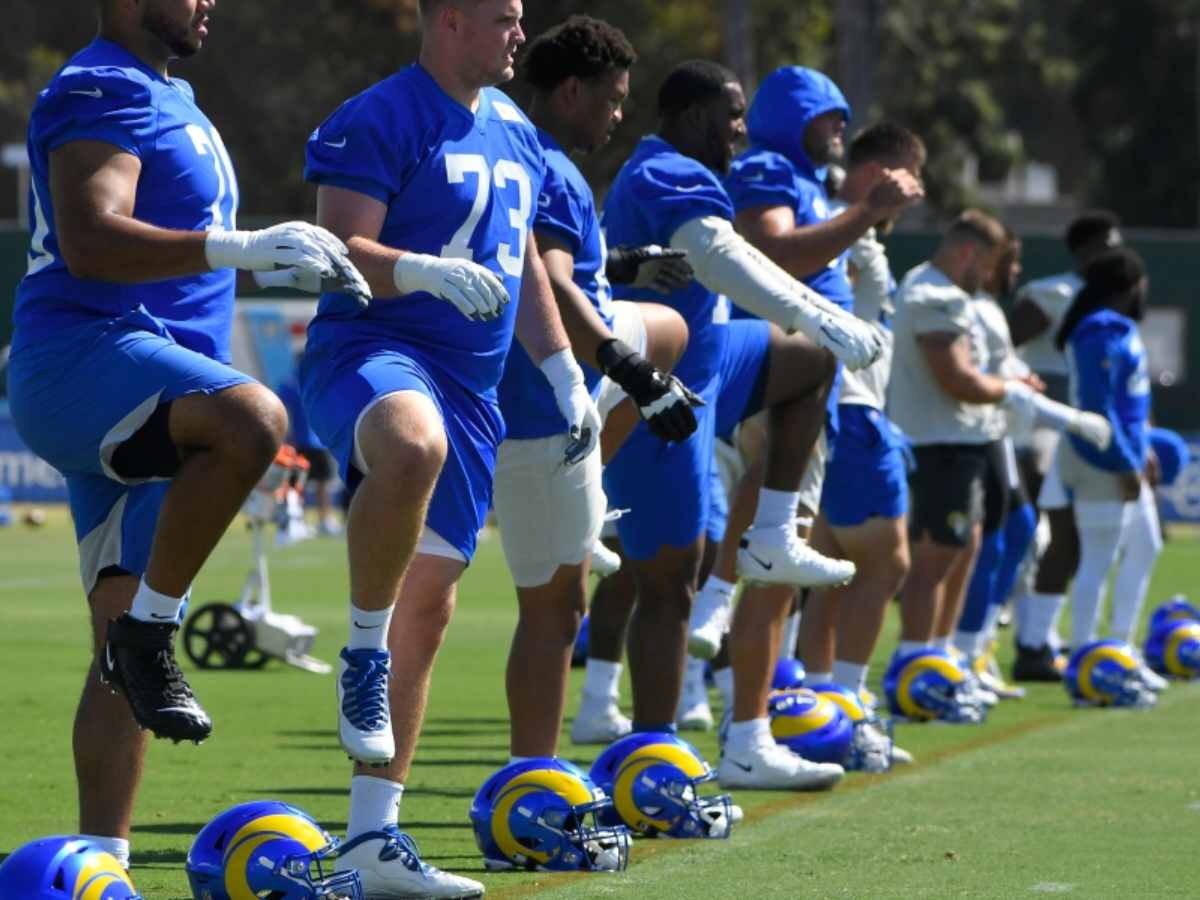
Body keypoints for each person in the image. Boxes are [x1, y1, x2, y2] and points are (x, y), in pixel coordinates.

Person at [6, 0, 366, 871]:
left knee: (112, 650)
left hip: (146, 388)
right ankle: (154, 633)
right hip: (87, 360)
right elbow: (90, 239)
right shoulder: (102, 82)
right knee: (254, 420)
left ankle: (103, 863)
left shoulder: (176, 96)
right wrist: (239, 249)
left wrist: (257, 257)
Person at [301, 0, 601, 894]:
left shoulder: (513, 125)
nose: (522, 34)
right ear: (451, 23)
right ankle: (359, 649)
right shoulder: (378, 115)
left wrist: (561, 373)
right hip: (376, 351)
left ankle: (369, 841)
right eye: (505, 18)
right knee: (411, 444)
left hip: (474, 393)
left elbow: (519, 271)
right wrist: (421, 269)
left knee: (427, 610)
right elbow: (334, 245)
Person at [602, 59, 882, 791]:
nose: (740, 128)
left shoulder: (684, 167)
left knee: (811, 360)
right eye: (730, 113)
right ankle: (652, 761)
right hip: (655, 387)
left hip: (707, 357)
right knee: (667, 580)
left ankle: (769, 536)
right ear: (692, 114)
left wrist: (819, 323)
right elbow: (718, 256)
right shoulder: (668, 169)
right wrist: (817, 309)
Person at [688, 68, 923, 722]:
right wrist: (866, 214)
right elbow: (772, 253)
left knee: (781, 562)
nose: (842, 131)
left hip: (808, 382)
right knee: (774, 561)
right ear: (797, 116)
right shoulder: (769, 167)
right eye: (831, 117)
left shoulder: (810, 183)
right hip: (785, 374)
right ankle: (747, 733)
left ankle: (744, 704)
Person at [496, 15, 700, 759]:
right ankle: (533, 778)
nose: (619, 117)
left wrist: (615, 264)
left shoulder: (532, 152)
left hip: (556, 384)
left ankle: (597, 510)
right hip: (542, 401)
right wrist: (635, 375)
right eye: (612, 100)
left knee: (670, 329)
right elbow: (547, 282)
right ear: (572, 90)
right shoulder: (545, 163)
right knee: (555, 611)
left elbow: (565, 267)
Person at [786, 123, 925, 761]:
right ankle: (847, 704)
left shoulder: (853, 223)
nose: (916, 189)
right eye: (910, 173)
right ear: (881, 172)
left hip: (843, 407)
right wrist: (865, 204)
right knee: (887, 565)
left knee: (836, 571)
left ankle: (822, 713)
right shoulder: (845, 218)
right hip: (852, 406)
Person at [887, 210, 1043, 684]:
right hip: (940, 443)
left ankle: (941, 659)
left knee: (964, 549)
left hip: (960, 441)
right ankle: (915, 666)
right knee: (933, 560)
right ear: (970, 253)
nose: (992, 277)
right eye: (990, 264)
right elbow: (956, 379)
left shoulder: (943, 290)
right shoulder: (934, 293)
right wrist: (1012, 390)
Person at [1007, 211, 1125, 680]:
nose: (1109, 256)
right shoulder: (1050, 293)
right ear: (1080, 251)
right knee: (1037, 501)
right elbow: (1000, 347)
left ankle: (1052, 637)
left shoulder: (1115, 301)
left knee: (1085, 537)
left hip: (1094, 422)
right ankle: (1024, 633)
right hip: (1047, 414)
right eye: (1102, 247)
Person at [1050, 248, 1163, 680]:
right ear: (1131, 284)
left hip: (1125, 454)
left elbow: (1129, 401)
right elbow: (1099, 407)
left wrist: (1143, 449)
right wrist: (1123, 462)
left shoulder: (1120, 327)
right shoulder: (1097, 329)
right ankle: (1085, 660)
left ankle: (1119, 651)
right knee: (1098, 557)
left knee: (1145, 545)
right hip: (1099, 456)